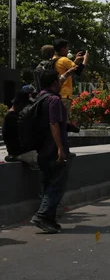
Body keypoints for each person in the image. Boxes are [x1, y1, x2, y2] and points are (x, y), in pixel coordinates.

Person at [30, 70, 70, 233]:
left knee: (48, 184)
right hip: (52, 149)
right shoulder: (53, 100)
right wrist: (60, 148)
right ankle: (42, 215)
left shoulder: (40, 97)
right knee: (56, 184)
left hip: (41, 149)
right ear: (54, 83)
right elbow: (54, 124)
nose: (61, 83)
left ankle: (50, 220)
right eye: (59, 81)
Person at [52, 39, 89, 120]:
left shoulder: (54, 58)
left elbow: (67, 69)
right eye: (67, 48)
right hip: (65, 95)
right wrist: (85, 59)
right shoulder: (64, 60)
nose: (68, 50)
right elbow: (79, 71)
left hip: (56, 94)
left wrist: (75, 61)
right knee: (65, 121)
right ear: (62, 49)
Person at [2, 91, 33, 162]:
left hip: (17, 151)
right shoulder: (12, 117)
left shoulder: (12, 116)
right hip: (17, 153)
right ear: (21, 104)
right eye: (25, 105)